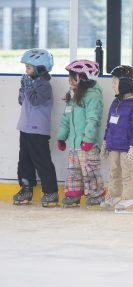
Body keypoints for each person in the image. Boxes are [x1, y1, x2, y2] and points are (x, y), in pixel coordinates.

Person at [13, 48, 59, 207]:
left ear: (40, 68)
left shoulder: (44, 85)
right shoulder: (32, 82)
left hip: (38, 130)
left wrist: (28, 88)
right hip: (25, 128)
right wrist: (23, 89)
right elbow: (22, 101)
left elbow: (34, 101)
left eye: (28, 67)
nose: (26, 70)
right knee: (24, 161)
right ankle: (26, 188)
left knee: (42, 161)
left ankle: (51, 192)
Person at [100, 65, 133, 213]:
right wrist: (106, 142)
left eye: (116, 82)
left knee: (127, 172)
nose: (113, 86)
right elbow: (109, 124)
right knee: (114, 171)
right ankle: (114, 195)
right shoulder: (116, 102)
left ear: (126, 84)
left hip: (127, 147)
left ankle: (131, 197)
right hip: (114, 144)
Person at [57, 59, 105, 208]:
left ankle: (95, 195)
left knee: (90, 171)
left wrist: (89, 139)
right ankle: (73, 195)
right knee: (73, 171)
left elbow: (93, 119)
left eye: (72, 76)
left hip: (87, 144)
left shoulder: (92, 96)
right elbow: (66, 117)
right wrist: (62, 136)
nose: (69, 80)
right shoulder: (72, 96)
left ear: (82, 78)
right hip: (74, 143)